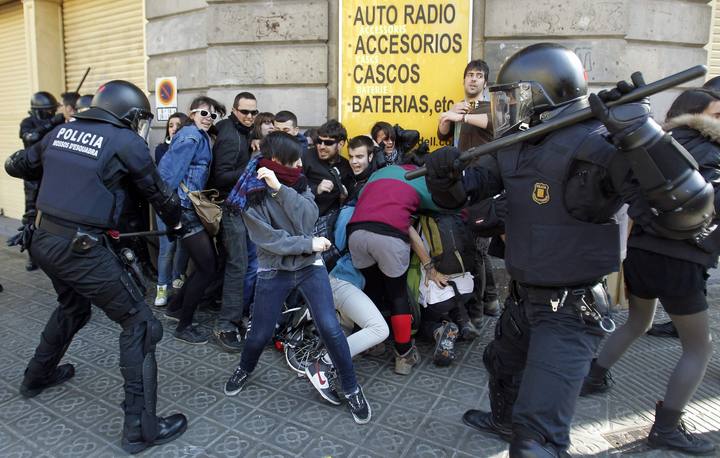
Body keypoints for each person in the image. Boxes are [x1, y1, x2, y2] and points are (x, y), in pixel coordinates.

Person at [423, 43, 714, 456]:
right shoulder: (518, 143)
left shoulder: (599, 144)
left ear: (543, 93)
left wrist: (642, 135)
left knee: (537, 438)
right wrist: (444, 176)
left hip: (570, 309)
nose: (505, 106)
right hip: (523, 298)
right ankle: (502, 421)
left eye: (513, 96)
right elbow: (464, 194)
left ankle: (521, 432)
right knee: (501, 369)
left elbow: (688, 214)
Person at [4, 80, 188, 454]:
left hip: (42, 240)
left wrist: (52, 158)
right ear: (126, 114)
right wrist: (179, 224)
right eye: (138, 118)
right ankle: (141, 429)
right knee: (140, 324)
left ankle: (36, 376)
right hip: (79, 248)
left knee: (73, 306)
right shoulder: (125, 142)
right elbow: (158, 192)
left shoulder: (61, 131)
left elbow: (16, 166)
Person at [581, 88, 720, 455]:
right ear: (700, 116)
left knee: (637, 322)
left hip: (642, 252)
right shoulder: (714, 153)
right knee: (698, 347)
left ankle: (592, 376)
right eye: (717, 115)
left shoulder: (653, 145)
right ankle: (668, 428)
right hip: (683, 261)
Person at [223, 131, 371, 424]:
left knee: (330, 327)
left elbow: (308, 217)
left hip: (308, 267)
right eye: (294, 160)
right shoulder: (249, 193)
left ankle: (352, 388)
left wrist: (280, 189)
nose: (300, 166)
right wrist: (307, 244)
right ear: (276, 159)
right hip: (274, 270)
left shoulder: (296, 182)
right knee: (260, 334)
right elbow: (269, 239)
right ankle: (244, 368)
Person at [304, 136, 389, 405]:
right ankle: (322, 365)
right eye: (351, 156)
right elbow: (340, 245)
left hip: (345, 280)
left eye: (360, 157)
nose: (354, 161)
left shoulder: (359, 197)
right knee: (378, 329)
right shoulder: (351, 209)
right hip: (341, 280)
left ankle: (326, 363)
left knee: (344, 332)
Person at [347, 163, 440, 375]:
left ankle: (371, 343)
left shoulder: (376, 176)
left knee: (371, 289)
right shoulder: (417, 178)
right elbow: (439, 204)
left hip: (356, 233)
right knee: (397, 295)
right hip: (389, 236)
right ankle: (404, 355)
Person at [159, 96, 226, 345]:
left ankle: (176, 307)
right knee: (208, 266)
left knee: (205, 264)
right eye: (203, 113)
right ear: (192, 113)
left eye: (212, 115)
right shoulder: (191, 137)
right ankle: (184, 325)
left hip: (188, 210)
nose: (208, 119)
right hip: (185, 211)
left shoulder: (197, 135)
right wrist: (171, 215)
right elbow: (167, 176)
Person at [207, 92, 256, 351]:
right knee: (238, 264)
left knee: (235, 263)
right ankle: (226, 325)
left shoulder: (243, 132)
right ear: (234, 111)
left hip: (238, 206)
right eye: (244, 112)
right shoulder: (229, 135)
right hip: (228, 207)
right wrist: (251, 166)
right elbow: (221, 176)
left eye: (253, 113)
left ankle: (183, 307)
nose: (249, 117)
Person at [19, 91, 65, 271]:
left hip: (52, 174)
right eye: (49, 111)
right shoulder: (27, 123)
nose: (52, 114)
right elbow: (31, 137)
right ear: (39, 111)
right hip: (33, 179)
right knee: (31, 217)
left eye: (53, 112)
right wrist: (51, 123)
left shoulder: (56, 121)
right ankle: (32, 256)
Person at [153, 112, 190, 306]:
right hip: (165, 205)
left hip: (184, 204)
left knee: (184, 245)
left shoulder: (191, 147)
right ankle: (161, 287)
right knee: (167, 248)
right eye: (170, 125)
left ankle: (178, 278)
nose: (174, 128)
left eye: (178, 125)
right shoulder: (161, 149)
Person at [302, 119, 353, 216]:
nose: (321, 146)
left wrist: (344, 197)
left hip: (333, 219)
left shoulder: (346, 166)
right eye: (319, 141)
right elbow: (292, 187)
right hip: (306, 217)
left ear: (341, 144)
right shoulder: (306, 157)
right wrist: (316, 189)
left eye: (328, 143)